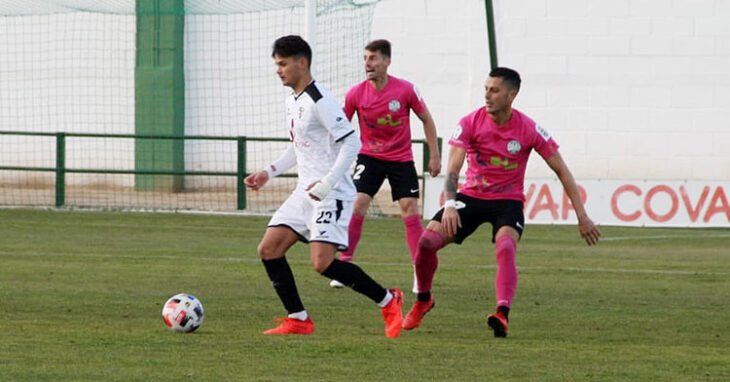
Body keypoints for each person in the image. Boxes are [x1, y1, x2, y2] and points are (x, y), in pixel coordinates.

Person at [402, 67, 601, 337]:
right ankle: (424, 299)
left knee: (506, 245)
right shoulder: (470, 122)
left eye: (494, 90)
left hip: (507, 201)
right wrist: (449, 204)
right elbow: (453, 168)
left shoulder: (529, 128)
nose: (487, 95)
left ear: (512, 94)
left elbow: (562, 170)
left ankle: (502, 314)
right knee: (426, 243)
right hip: (471, 197)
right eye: (486, 89)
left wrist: (582, 216)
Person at [244, 35, 404, 338]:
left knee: (322, 263)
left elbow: (352, 142)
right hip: (305, 192)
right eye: (276, 64)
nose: (278, 70)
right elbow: (300, 146)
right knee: (269, 249)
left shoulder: (321, 100)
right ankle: (298, 319)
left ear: (301, 63)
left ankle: (389, 299)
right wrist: (269, 172)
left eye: (283, 64)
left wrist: (328, 183)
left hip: (331, 194)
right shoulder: (293, 100)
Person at [329, 39, 441, 292]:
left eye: (373, 58)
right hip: (370, 157)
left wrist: (434, 155)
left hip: (401, 159)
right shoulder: (355, 93)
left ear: (387, 61)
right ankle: (344, 264)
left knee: (409, 208)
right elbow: (341, 127)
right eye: (365, 58)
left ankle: (418, 269)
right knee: (357, 203)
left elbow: (427, 119)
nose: (367, 63)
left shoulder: (406, 90)